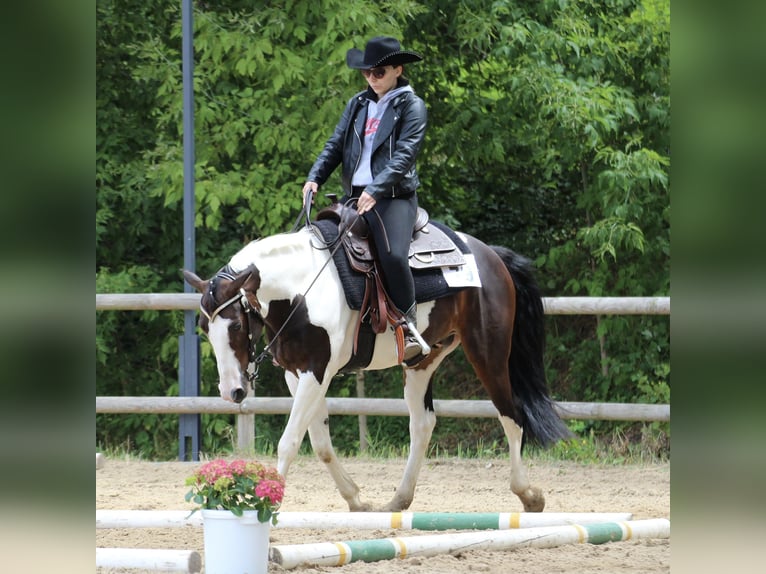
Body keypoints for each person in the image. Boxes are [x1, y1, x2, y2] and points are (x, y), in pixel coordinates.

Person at [302, 36, 429, 362]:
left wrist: (376, 190)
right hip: (353, 196)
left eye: (379, 71)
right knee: (309, 241)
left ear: (398, 70)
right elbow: (334, 145)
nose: (372, 78)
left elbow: (404, 156)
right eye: (367, 73)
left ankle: (408, 326)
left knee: (393, 256)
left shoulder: (411, 107)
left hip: (394, 197)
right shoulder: (358, 104)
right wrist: (315, 176)